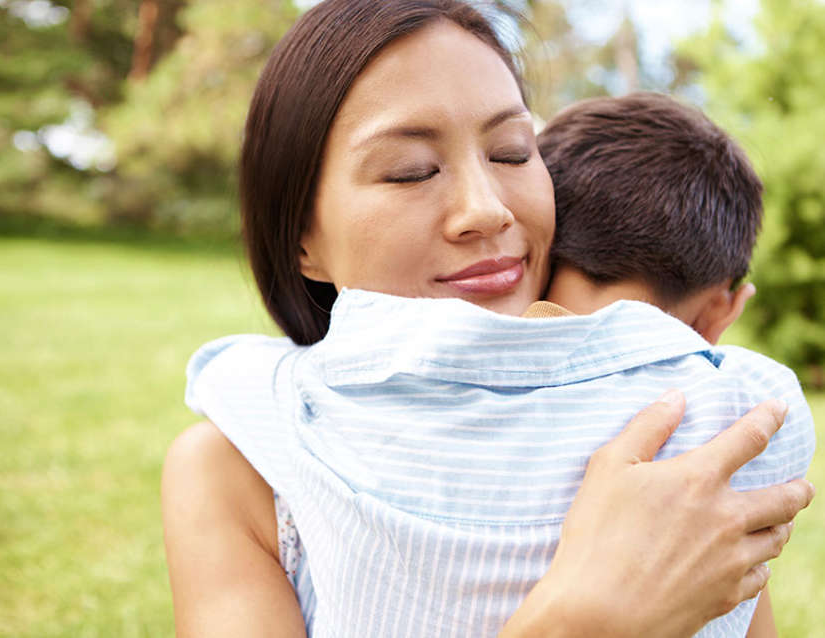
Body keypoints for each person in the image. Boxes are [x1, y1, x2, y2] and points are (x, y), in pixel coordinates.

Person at [161, 1, 816, 637]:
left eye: (511, 152)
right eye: (409, 172)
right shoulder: (240, 465)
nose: (487, 209)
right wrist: (583, 622)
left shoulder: (696, 428)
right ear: (302, 236)